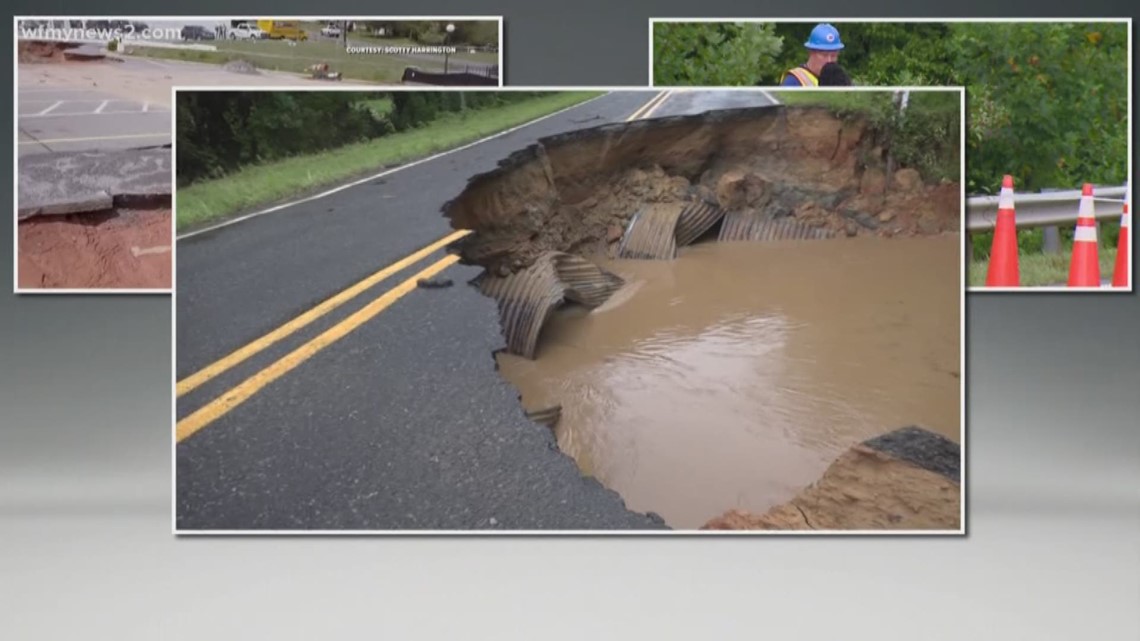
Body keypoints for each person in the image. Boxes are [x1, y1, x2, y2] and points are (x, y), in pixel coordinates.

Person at [780, 23, 845, 87]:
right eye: (824, 55)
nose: (829, 61)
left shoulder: (840, 80)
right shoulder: (793, 81)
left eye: (833, 56)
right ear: (811, 52)